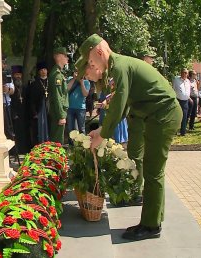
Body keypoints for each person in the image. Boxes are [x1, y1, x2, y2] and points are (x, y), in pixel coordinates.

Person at [77, 34, 182, 241]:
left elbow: (118, 106)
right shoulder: (118, 66)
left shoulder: (119, 67)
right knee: (153, 171)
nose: (91, 65)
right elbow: (121, 104)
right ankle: (154, 219)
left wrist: (103, 136)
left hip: (163, 114)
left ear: (99, 52)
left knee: (153, 171)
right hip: (156, 115)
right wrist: (101, 131)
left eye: (90, 62)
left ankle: (151, 225)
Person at [48, 47, 69, 144]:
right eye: (65, 56)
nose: (67, 58)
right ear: (59, 57)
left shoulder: (58, 73)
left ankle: (56, 158)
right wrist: (61, 115)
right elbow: (58, 96)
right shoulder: (57, 75)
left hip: (58, 111)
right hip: (58, 112)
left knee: (57, 140)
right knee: (57, 141)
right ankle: (56, 159)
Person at [28, 61, 50, 146]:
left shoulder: (50, 82)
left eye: (45, 69)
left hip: (49, 111)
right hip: (39, 110)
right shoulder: (34, 84)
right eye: (41, 70)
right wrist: (34, 112)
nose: (43, 71)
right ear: (39, 72)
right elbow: (32, 100)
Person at [10, 65, 30, 154]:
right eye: (16, 74)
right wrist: (13, 113)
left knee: (24, 132)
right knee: (16, 132)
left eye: (19, 74)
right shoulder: (11, 88)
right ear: (13, 75)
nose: (18, 76)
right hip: (15, 114)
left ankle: (24, 149)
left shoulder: (24, 87)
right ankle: (16, 150)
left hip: (24, 113)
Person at [67, 70, 91, 138]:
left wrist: (82, 83)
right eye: (76, 72)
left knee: (82, 129)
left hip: (81, 108)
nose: (77, 74)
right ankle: (71, 145)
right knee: (70, 129)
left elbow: (85, 94)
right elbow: (67, 89)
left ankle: (83, 146)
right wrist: (74, 79)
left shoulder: (86, 82)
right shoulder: (70, 79)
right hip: (70, 107)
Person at [172, 68, 191, 136]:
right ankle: (175, 131)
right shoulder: (176, 80)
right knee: (177, 116)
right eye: (183, 72)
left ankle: (183, 131)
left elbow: (188, 91)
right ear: (181, 73)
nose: (185, 74)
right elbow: (173, 89)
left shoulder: (188, 81)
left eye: (186, 73)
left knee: (184, 116)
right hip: (178, 100)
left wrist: (189, 98)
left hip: (185, 101)